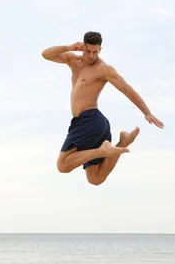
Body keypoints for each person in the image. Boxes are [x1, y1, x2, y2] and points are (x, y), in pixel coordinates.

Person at [41, 31, 164, 186]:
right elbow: (46, 54)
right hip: (89, 122)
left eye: (95, 52)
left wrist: (147, 113)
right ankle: (123, 143)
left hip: (90, 120)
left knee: (63, 165)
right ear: (82, 47)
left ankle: (103, 150)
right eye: (88, 51)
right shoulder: (73, 60)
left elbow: (126, 89)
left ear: (100, 50)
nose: (91, 56)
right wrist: (69, 47)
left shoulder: (103, 69)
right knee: (95, 178)